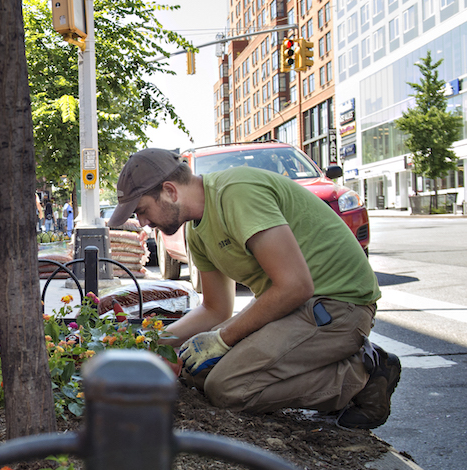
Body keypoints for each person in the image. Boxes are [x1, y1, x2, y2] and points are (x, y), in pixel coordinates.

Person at [107, 148, 397, 430]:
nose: (143, 222)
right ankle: (323, 364)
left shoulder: (237, 192)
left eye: (142, 210)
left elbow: (295, 286)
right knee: (195, 371)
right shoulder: (196, 231)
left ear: (170, 191)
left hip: (339, 305)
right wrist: (150, 343)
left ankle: (361, 376)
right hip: (294, 308)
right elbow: (214, 310)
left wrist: (221, 339)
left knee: (228, 388)